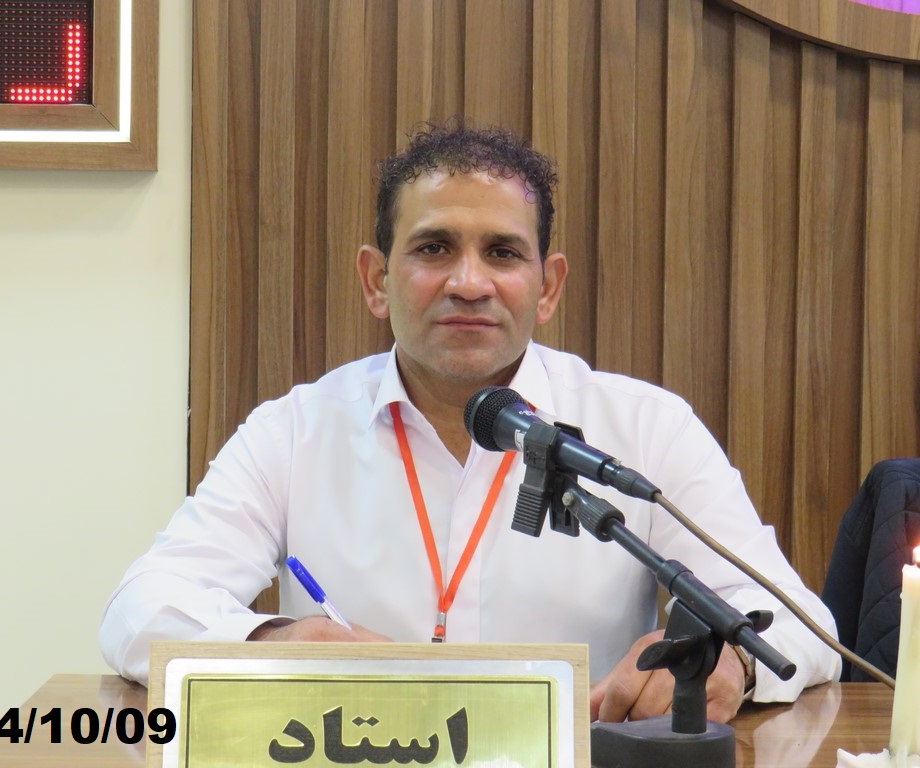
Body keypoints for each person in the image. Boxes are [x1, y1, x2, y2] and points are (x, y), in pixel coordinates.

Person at [98, 123, 840, 723]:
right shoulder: (294, 431)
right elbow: (140, 607)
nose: (468, 282)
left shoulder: (645, 429)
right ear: (376, 280)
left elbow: (798, 624)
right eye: (434, 248)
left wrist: (728, 663)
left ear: (547, 288)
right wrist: (273, 638)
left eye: (503, 253)